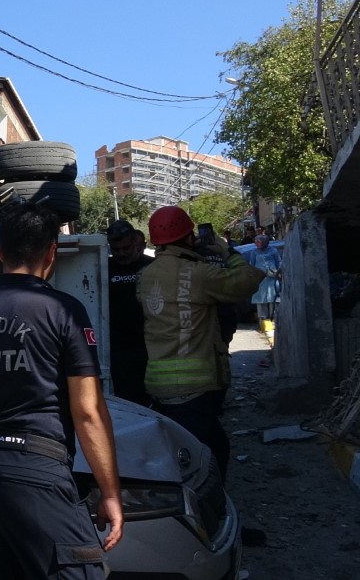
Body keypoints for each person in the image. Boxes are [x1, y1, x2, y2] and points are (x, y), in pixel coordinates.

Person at [0, 202, 123, 578]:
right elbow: (87, 411)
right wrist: (110, 492)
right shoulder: (64, 312)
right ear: (51, 253)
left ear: (0, 251)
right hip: (35, 473)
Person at [139, 206, 262, 480]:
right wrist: (227, 252)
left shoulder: (146, 275)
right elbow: (246, 281)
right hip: (191, 388)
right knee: (203, 459)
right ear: (187, 237)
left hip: (158, 384)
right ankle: (205, 505)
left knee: (207, 448)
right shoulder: (196, 273)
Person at [105, 219, 152, 405]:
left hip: (149, 344)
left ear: (135, 243)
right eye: (116, 249)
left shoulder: (151, 266)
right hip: (118, 348)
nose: (121, 253)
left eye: (126, 248)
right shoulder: (104, 267)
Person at [246, 234, 282, 329]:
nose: (256, 244)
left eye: (258, 242)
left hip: (272, 278)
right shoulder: (254, 252)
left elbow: (279, 262)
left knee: (273, 300)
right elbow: (251, 265)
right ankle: (263, 324)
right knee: (261, 301)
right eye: (255, 242)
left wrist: (278, 272)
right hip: (260, 279)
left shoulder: (273, 250)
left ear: (264, 242)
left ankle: (274, 322)